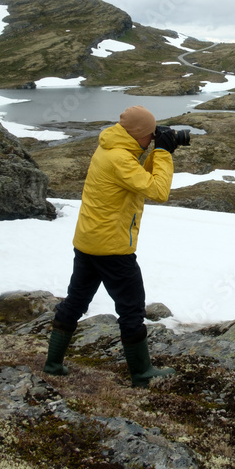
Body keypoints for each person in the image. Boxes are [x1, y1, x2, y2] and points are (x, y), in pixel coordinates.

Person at [43, 105, 179, 387]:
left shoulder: (109, 148)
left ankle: (52, 363)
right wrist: (164, 153)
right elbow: (158, 190)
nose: (152, 139)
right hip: (113, 249)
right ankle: (142, 373)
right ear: (139, 134)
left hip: (88, 242)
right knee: (131, 309)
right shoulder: (120, 158)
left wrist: (157, 153)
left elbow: (138, 180)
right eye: (151, 136)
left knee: (76, 301)